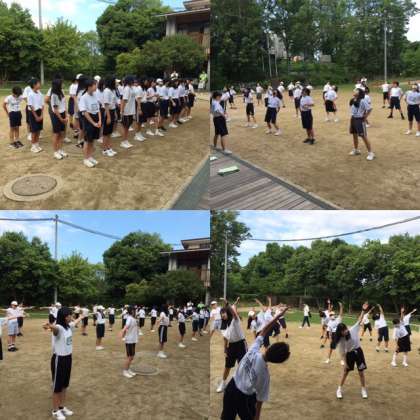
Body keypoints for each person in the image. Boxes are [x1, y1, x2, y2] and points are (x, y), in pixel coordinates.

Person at [220, 306, 290, 420]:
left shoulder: (253, 350)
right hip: (244, 397)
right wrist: (256, 417)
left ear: (268, 348)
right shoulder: (265, 375)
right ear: (277, 362)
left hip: (231, 387)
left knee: (227, 417)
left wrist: (277, 316)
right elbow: (260, 401)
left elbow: (264, 330)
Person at [43, 306, 84, 420]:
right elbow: (56, 329)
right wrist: (50, 326)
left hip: (68, 358)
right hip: (59, 359)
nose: (71, 316)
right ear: (64, 317)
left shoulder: (68, 326)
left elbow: (75, 322)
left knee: (64, 385)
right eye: (69, 315)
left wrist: (81, 317)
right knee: (57, 387)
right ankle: (55, 410)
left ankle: (61, 407)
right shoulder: (60, 327)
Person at [335, 302, 370, 400]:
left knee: (361, 372)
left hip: (358, 352)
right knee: (345, 372)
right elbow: (342, 353)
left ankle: (363, 389)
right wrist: (345, 363)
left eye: (345, 329)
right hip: (349, 354)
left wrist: (363, 310)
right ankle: (339, 389)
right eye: (343, 330)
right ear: (340, 332)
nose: (346, 331)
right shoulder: (341, 341)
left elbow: (359, 320)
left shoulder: (352, 330)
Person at [216, 298, 246, 393]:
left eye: (224, 313)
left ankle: (243, 384)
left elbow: (233, 312)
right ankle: (223, 383)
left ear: (228, 313)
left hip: (241, 344)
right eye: (221, 314)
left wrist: (227, 303)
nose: (223, 315)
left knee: (243, 365)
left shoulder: (235, 320)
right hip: (231, 346)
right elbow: (225, 339)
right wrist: (225, 349)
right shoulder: (223, 326)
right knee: (227, 366)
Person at [79, 79, 102, 167]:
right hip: (89, 121)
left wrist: (99, 120)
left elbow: (98, 109)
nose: (96, 86)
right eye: (95, 85)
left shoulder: (95, 95)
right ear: (89, 87)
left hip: (96, 119)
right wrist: (93, 123)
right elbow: (85, 112)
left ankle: (90, 156)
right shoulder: (84, 97)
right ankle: (86, 159)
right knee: (87, 140)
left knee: (92, 140)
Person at [349, 88, 375, 161]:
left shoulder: (362, 100)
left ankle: (371, 153)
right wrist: (351, 119)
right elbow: (352, 110)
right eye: (354, 90)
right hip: (353, 119)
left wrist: (365, 117)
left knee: (363, 136)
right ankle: (356, 150)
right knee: (354, 135)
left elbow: (370, 108)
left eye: (356, 90)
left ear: (359, 93)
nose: (354, 90)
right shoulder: (352, 100)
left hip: (359, 120)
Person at [48, 78, 68, 160]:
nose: (63, 84)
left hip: (62, 114)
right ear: (58, 85)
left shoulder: (61, 92)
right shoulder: (54, 95)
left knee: (61, 133)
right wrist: (61, 119)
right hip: (56, 115)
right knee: (56, 134)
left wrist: (65, 116)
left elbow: (64, 105)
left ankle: (60, 149)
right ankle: (55, 151)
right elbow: (55, 109)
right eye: (62, 83)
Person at [120, 306, 138, 378]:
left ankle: (128, 369)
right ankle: (125, 371)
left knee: (132, 356)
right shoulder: (129, 318)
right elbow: (126, 326)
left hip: (133, 340)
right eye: (135, 310)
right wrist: (122, 332)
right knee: (129, 357)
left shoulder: (133, 318)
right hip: (129, 340)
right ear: (132, 311)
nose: (136, 311)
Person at [27, 78, 44, 153]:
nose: (40, 84)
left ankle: (37, 144)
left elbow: (42, 105)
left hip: (39, 112)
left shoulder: (40, 93)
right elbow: (31, 106)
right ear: (34, 85)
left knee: (39, 129)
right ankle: (33, 146)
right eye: (38, 83)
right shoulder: (30, 94)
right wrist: (36, 116)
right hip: (33, 113)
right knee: (34, 130)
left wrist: (41, 115)